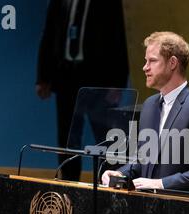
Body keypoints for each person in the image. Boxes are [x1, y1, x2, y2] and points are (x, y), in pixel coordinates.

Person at [102, 31, 189, 199]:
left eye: (152, 61)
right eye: (146, 61)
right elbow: (143, 160)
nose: (145, 67)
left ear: (172, 63)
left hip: (186, 212)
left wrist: (161, 183)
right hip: (149, 210)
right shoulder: (149, 106)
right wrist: (119, 175)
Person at [36, 0, 129, 181]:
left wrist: (117, 83)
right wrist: (42, 77)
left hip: (98, 81)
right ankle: (69, 184)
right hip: (66, 78)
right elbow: (48, 33)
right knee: (68, 137)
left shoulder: (109, 3)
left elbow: (118, 37)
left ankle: (110, 185)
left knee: (106, 137)